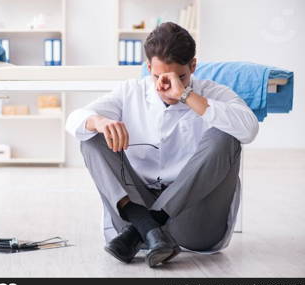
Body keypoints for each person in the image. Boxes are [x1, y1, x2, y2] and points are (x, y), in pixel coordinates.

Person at [66, 22, 259, 268]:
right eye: (158, 77)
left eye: (180, 77)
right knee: (91, 134)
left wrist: (187, 96)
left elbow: (249, 128)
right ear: (148, 69)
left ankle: (148, 227)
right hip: (135, 211)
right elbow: (73, 120)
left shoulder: (212, 93)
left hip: (192, 222)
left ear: (193, 66)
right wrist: (99, 121)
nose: (167, 87)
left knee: (226, 136)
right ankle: (147, 227)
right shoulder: (129, 92)